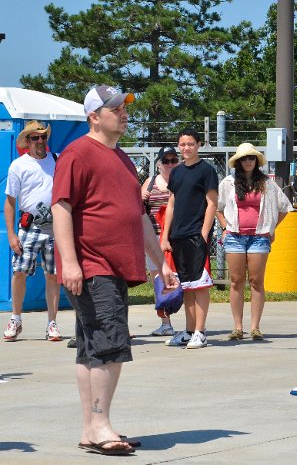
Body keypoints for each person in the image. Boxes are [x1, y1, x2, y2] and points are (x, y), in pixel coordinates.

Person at [52, 84, 174, 456]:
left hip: (114, 266)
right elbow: (61, 208)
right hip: (92, 265)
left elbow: (138, 217)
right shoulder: (77, 154)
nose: (124, 113)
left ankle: (91, 428)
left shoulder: (122, 159)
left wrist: (161, 263)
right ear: (94, 117)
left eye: (124, 108)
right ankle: (101, 425)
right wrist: (70, 262)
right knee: (111, 344)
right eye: (115, 109)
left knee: (91, 347)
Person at [217, 143, 292, 341]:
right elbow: (217, 207)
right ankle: (238, 327)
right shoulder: (228, 182)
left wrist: (271, 227)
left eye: (251, 158)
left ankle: (255, 327)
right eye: (244, 158)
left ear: (256, 160)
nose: (248, 161)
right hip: (234, 236)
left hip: (259, 237)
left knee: (256, 281)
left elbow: (284, 207)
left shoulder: (267, 183)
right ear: (238, 162)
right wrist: (225, 227)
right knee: (236, 280)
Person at [4, 120, 62, 342]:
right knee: (19, 272)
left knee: (53, 275)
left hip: (55, 227)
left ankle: (52, 323)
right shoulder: (18, 166)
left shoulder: (57, 160)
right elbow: (10, 203)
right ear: (27, 141)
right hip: (29, 228)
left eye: (43, 137)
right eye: (35, 137)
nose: (40, 141)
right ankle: (16, 319)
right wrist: (11, 235)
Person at [161, 128, 218, 349]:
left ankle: (200, 332)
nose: (186, 148)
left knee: (200, 285)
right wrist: (165, 236)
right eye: (183, 144)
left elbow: (212, 204)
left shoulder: (207, 171)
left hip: (196, 235)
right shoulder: (176, 172)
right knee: (186, 286)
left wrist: (203, 234)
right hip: (178, 236)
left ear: (199, 145)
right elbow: (171, 204)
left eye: (190, 144)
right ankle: (189, 330)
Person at [140, 145, 179, 337]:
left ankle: (193, 324)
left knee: (182, 278)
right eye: (166, 161)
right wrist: (141, 197)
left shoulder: (181, 180)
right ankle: (165, 322)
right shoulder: (150, 182)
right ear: (158, 164)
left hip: (175, 236)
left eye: (173, 160)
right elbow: (138, 208)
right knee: (158, 279)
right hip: (154, 237)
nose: (170, 164)